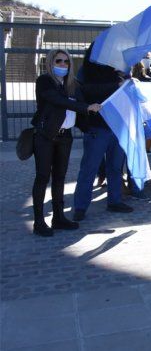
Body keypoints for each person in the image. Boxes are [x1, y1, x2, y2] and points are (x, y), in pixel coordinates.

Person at [30, 49, 101, 236]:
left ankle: (59, 217)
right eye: (58, 61)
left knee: (60, 177)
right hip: (45, 135)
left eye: (66, 62)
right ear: (50, 62)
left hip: (64, 137)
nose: (63, 65)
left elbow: (89, 95)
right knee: (43, 177)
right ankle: (39, 222)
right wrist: (86, 108)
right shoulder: (45, 81)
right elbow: (58, 101)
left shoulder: (72, 84)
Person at [72, 44, 134, 221]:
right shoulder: (85, 71)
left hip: (116, 127)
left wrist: (127, 83)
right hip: (96, 128)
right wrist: (115, 85)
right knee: (89, 168)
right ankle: (80, 206)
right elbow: (85, 92)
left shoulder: (116, 72)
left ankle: (114, 201)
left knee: (115, 168)